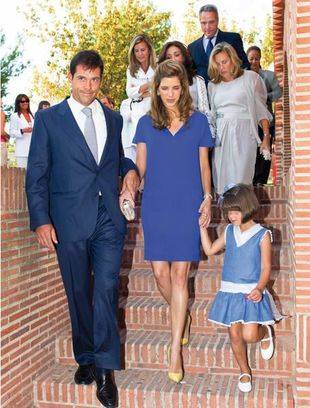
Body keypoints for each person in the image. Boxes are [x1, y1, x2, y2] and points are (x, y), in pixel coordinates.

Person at [26, 50, 140, 408]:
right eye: (82, 79)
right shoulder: (49, 120)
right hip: (69, 219)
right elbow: (37, 173)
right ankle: (86, 356)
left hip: (108, 218)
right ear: (70, 78)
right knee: (78, 291)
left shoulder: (114, 117)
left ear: (101, 80)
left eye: (94, 79)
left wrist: (131, 169)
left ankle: (105, 370)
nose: (88, 86)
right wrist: (41, 220)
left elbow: (114, 158)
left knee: (105, 288)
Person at [133, 60, 214, 383]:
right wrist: (129, 186)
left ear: (184, 89)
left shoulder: (199, 123)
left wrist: (208, 198)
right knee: (159, 273)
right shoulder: (145, 124)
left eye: (175, 88)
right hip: (156, 204)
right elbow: (140, 168)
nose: (169, 93)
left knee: (181, 275)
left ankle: (174, 348)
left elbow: (205, 167)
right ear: (157, 89)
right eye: (164, 88)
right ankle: (183, 316)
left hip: (187, 203)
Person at [200, 183, 282, 393]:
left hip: (251, 292)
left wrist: (260, 288)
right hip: (230, 291)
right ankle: (244, 370)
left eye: (235, 211)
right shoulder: (229, 231)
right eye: (227, 212)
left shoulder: (262, 234)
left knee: (249, 335)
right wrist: (202, 229)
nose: (231, 216)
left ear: (247, 207)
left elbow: (266, 267)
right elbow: (210, 250)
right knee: (235, 334)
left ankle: (265, 333)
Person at [207, 42, 273, 195]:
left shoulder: (250, 78)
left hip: (244, 132)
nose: (221, 67)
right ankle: (229, 217)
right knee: (222, 179)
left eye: (225, 62)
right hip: (221, 136)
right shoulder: (212, 85)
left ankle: (244, 217)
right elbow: (212, 114)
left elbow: (261, 111)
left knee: (241, 179)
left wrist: (266, 137)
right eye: (217, 63)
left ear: (233, 60)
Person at [158, 40, 214, 136]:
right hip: (167, 132)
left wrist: (210, 136)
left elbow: (205, 112)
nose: (173, 59)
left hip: (194, 132)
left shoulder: (197, 81)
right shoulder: (159, 83)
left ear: (184, 57)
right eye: (169, 57)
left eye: (177, 55)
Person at [188, 4, 250, 86]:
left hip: (230, 93)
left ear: (217, 20)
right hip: (204, 96)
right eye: (203, 23)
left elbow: (244, 65)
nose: (207, 27)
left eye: (211, 22)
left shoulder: (232, 39)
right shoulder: (192, 47)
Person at [247, 45, 283, 185]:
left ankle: (261, 181)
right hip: (250, 120)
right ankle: (250, 180)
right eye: (251, 58)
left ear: (260, 59)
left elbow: (278, 93)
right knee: (253, 151)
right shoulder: (243, 77)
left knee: (265, 152)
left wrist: (263, 97)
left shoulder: (269, 75)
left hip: (266, 120)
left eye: (256, 58)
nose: (254, 61)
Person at [122, 33, 157, 161]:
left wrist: (140, 90)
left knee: (154, 147)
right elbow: (129, 93)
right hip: (137, 110)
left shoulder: (157, 66)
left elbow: (160, 90)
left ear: (149, 50)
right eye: (136, 51)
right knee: (139, 149)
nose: (140, 53)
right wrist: (148, 85)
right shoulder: (131, 69)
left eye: (143, 50)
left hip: (153, 108)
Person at [9, 94, 34, 168]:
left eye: (27, 101)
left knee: (33, 174)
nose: (25, 103)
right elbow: (11, 132)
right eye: (22, 101)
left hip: (33, 150)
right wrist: (22, 131)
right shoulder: (15, 116)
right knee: (22, 174)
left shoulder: (33, 115)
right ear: (18, 103)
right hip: (22, 151)